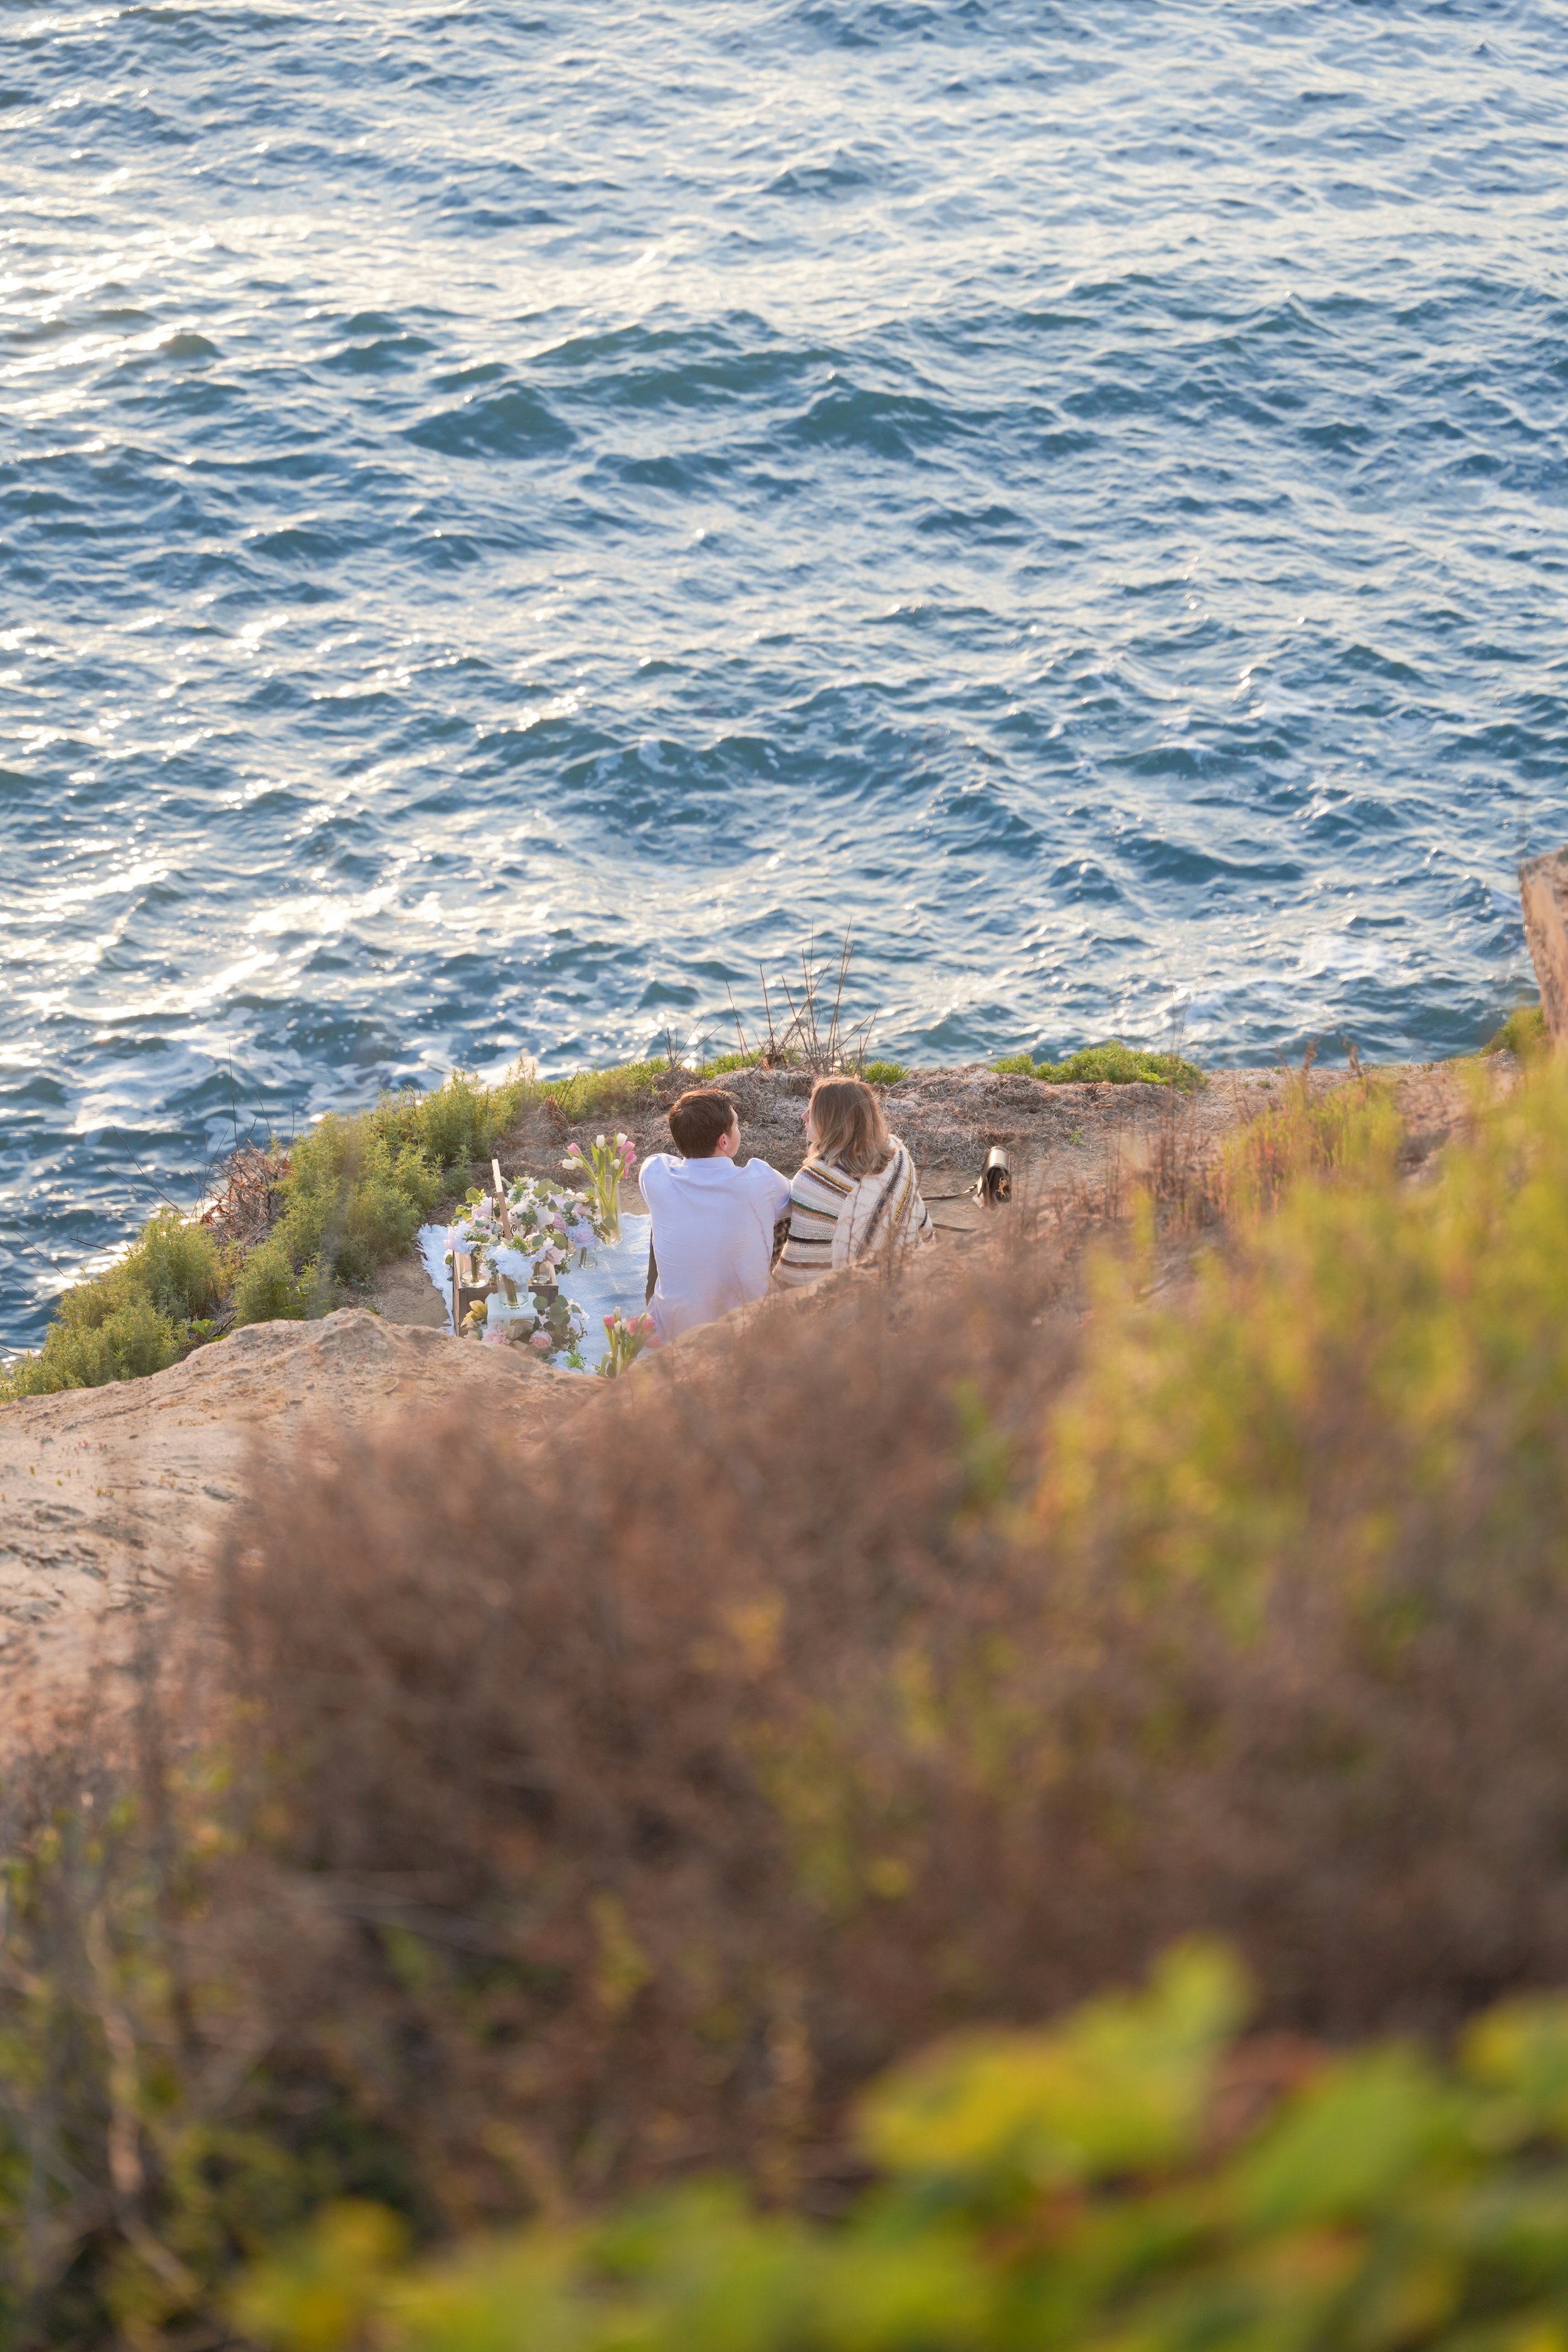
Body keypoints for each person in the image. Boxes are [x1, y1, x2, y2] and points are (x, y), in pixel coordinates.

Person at [639, 1088, 792, 1345]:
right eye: (736, 1125)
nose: (739, 1131)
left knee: (663, 1216)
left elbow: (665, 1161)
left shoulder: (654, 1174)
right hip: (747, 1333)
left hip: (674, 1331)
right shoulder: (761, 1179)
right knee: (778, 1216)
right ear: (724, 1141)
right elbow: (794, 1202)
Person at [774, 1075, 933, 1287]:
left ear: (834, 1122)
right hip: (914, 1273)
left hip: (858, 1298)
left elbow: (801, 1272)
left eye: (812, 1111)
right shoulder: (897, 1151)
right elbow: (917, 1217)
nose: (804, 1116)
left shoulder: (813, 1182)